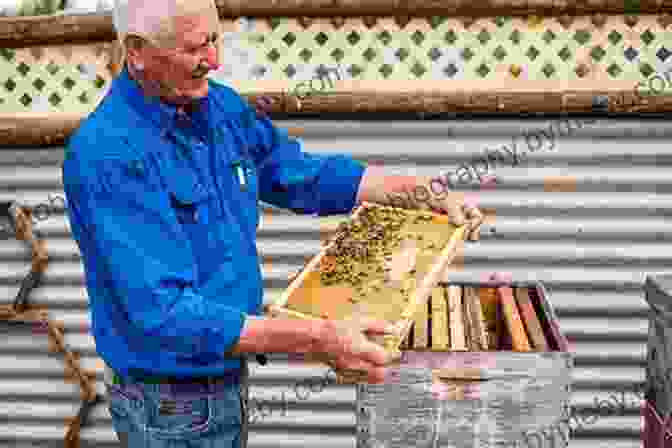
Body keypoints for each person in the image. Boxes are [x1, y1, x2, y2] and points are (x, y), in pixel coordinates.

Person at [61, 0, 484, 446]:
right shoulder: (107, 154)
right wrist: (317, 337)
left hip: (225, 379)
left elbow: (301, 174)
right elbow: (166, 314)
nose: (215, 60)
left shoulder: (219, 108)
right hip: (167, 405)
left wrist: (419, 192)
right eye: (194, 48)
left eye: (214, 39)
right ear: (137, 51)